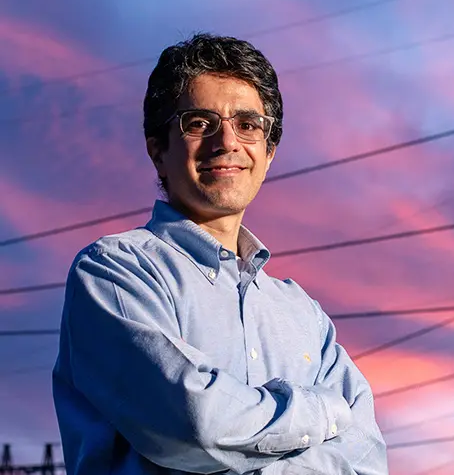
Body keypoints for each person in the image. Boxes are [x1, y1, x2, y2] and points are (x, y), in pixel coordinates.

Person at [52, 33, 388, 475]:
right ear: (158, 149)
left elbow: (366, 456)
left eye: (248, 124)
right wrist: (322, 412)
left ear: (268, 153)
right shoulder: (115, 270)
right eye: (198, 123)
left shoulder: (303, 313)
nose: (226, 141)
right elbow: (191, 423)